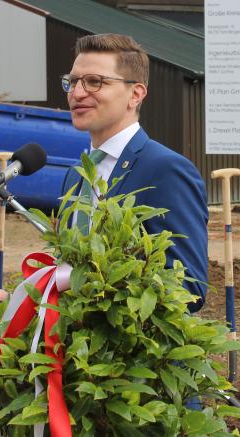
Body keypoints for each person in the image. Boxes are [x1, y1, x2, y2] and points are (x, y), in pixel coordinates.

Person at [59, 33, 208, 312]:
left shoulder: (166, 170)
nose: (77, 93)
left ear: (135, 94)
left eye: (94, 82)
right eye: (73, 81)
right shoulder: (76, 174)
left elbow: (188, 288)